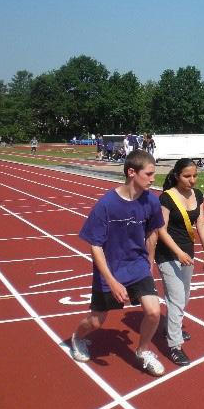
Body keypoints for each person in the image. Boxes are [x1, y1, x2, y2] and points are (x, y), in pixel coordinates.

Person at [70, 150, 166, 377]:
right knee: (96, 321)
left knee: (154, 312)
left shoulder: (151, 200)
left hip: (137, 265)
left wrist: (149, 262)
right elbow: (95, 245)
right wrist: (111, 281)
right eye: (149, 173)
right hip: (110, 269)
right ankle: (77, 337)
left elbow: (153, 232)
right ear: (132, 172)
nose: (153, 179)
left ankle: (142, 351)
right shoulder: (106, 205)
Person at [156, 159, 204, 366]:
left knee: (184, 296)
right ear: (177, 175)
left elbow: (202, 224)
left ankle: (172, 327)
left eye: (195, 176)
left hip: (188, 254)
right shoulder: (167, 198)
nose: (192, 180)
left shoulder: (197, 195)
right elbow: (161, 230)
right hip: (168, 253)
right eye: (187, 176)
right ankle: (175, 346)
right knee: (177, 297)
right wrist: (178, 252)